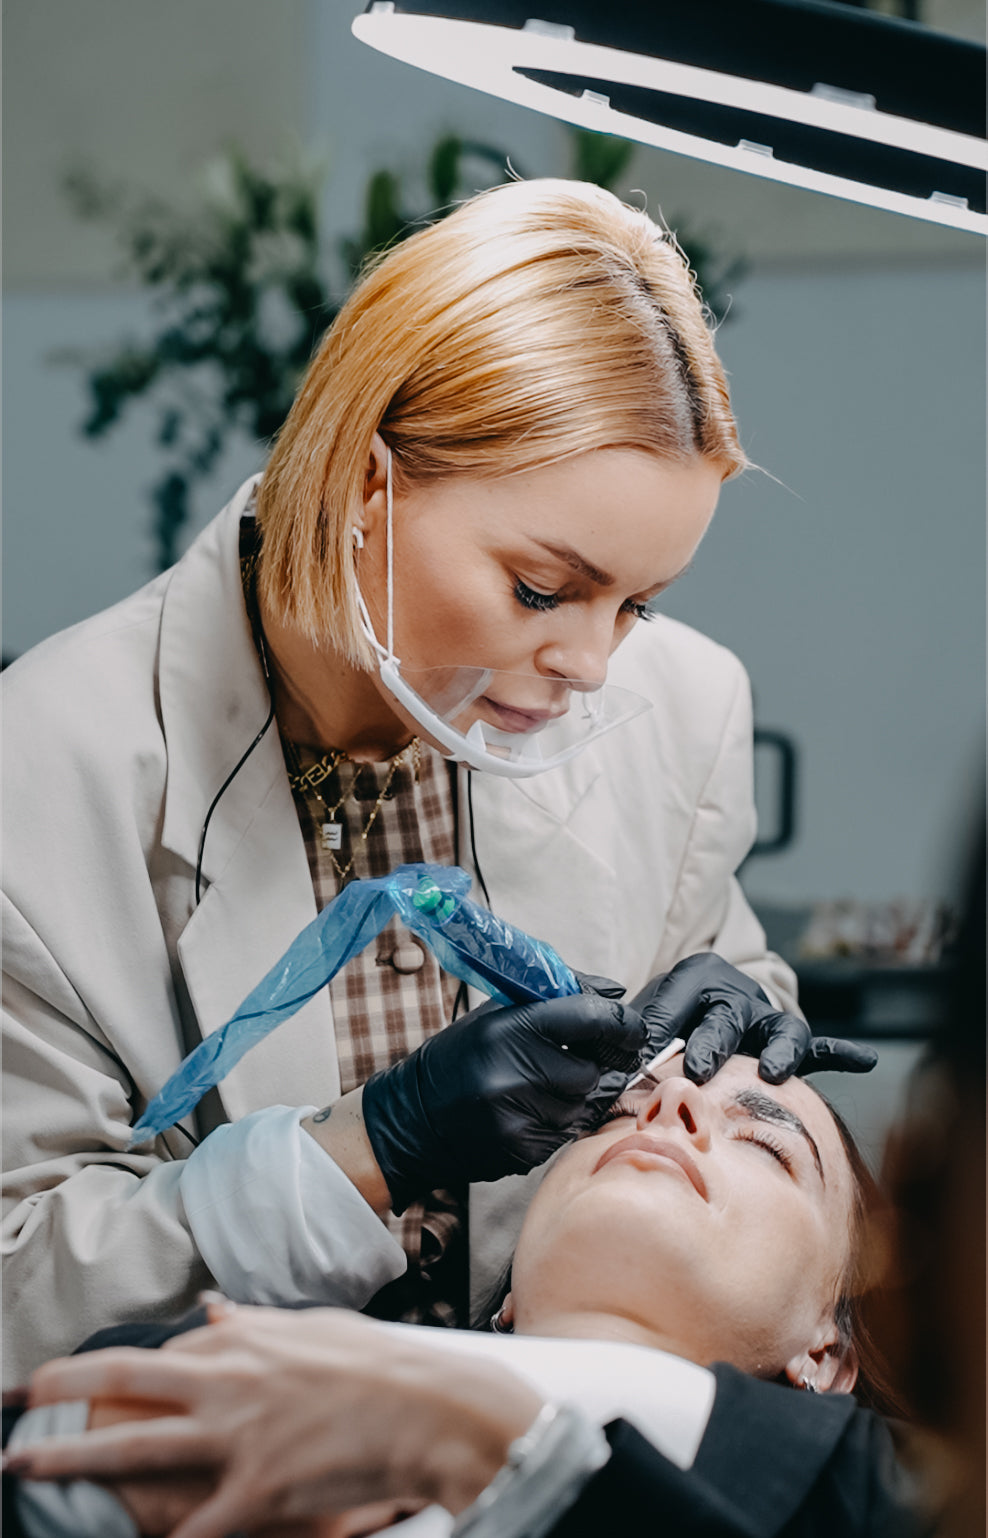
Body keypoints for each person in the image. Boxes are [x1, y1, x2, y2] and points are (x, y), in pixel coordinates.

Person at [1, 176, 875, 1380]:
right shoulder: (37, 778)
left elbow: (739, 1226)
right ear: (369, 484)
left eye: (637, 601)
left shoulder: (676, 710)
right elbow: (18, 1293)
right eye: (540, 587)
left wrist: (734, 1044)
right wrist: (371, 1144)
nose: (586, 663)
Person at [3, 1052, 916, 1538]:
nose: (670, 1109)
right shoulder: (222, 1375)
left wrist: (501, 1432)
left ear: (827, 1351)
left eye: (766, 1143)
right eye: (619, 1110)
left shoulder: (912, 1496)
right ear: (506, 1295)